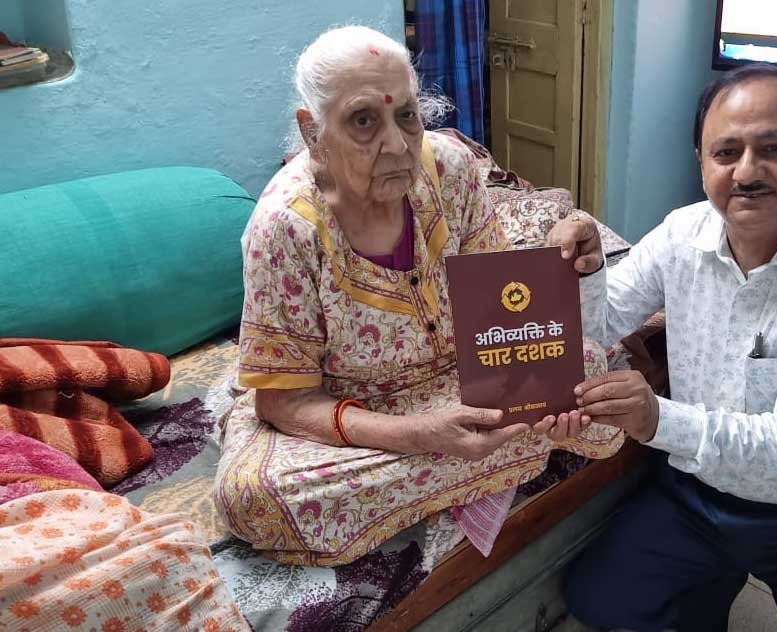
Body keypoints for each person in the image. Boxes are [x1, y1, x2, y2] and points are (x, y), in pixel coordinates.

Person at [212, 25, 622, 567]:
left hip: (461, 372)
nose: (396, 145)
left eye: (406, 115)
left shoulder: (450, 168)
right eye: (363, 121)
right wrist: (420, 435)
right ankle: (503, 455)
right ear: (313, 131)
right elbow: (283, 403)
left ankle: (487, 452)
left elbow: (499, 313)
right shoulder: (284, 228)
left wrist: (542, 353)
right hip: (349, 407)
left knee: (596, 384)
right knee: (252, 496)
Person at [549, 64, 777, 631]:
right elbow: (603, 323)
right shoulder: (680, 234)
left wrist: (657, 418)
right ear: (701, 162)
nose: (747, 172)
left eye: (774, 149)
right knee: (598, 599)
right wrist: (589, 271)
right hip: (698, 494)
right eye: (726, 152)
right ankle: (710, 586)